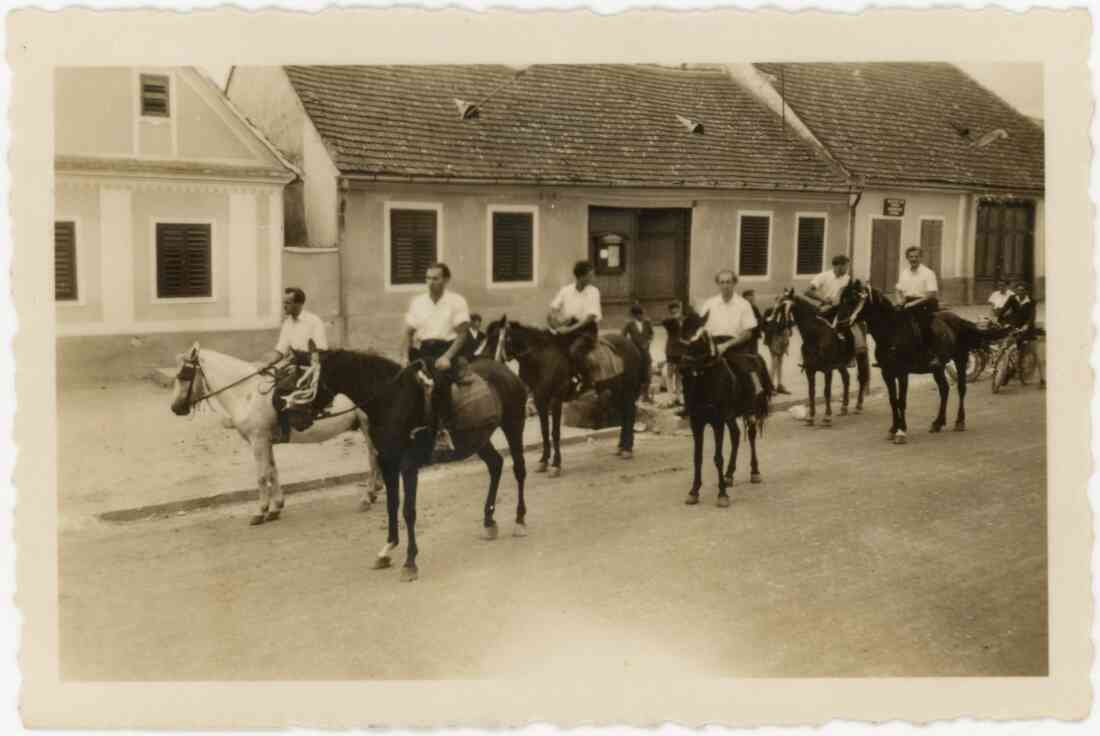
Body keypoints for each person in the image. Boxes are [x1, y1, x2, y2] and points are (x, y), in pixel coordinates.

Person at [400, 262, 471, 454]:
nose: (431, 282)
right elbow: (407, 332)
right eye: (428, 278)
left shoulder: (456, 301)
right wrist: (404, 357)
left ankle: (443, 431)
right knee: (403, 381)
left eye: (435, 278)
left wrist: (448, 356)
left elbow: (463, 334)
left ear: (446, 280)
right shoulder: (418, 302)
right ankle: (412, 427)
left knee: (439, 383)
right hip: (423, 350)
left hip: (447, 349)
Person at [697, 270, 773, 401]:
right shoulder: (710, 303)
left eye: (728, 282)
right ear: (718, 284)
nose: (725, 285)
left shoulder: (743, 304)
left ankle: (750, 407)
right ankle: (691, 406)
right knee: (693, 370)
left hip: (736, 345)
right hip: (713, 345)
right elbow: (701, 328)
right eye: (722, 282)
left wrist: (726, 345)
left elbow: (748, 333)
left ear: (734, 283)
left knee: (745, 371)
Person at [266, 287, 329, 441]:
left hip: (313, 364)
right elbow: (281, 349)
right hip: (295, 364)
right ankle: (282, 425)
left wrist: (307, 365)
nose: (284, 306)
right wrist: (267, 364)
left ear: (299, 304)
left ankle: (286, 432)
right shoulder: (287, 323)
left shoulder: (313, 321)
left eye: (288, 303)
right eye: (283, 302)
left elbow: (320, 349)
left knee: (281, 389)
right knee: (272, 382)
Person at [549, 260, 602, 397]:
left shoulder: (593, 291)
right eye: (590, 274)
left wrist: (569, 329)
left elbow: (590, 317)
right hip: (568, 326)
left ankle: (587, 381)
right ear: (581, 276)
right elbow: (553, 309)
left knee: (574, 351)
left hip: (587, 330)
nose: (592, 277)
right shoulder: (565, 290)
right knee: (550, 350)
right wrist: (556, 323)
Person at [895, 245, 948, 370]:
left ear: (921, 257)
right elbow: (898, 289)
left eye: (916, 257)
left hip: (925, 303)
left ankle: (934, 355)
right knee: (893, 321)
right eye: (911, 257)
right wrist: (899, 300)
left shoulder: (928, 273)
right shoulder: (904, 272)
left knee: (925, 325)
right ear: (907, 258)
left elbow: (931, 294)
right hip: (907, 302)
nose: (913, 259)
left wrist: (913, 304)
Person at [805, 254, 868, 357]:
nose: (847, 269)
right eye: (846, 266)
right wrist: (823, 299)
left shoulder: (847, 279)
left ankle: (853, 354)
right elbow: (807, 291)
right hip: (826, 309)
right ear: (838, 266)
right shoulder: (823, 276)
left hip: (842, 310)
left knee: (856, 327)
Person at [1000, 281, 1045, 388]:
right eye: (1018, 290)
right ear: (1015, 291)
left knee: (1035, 353)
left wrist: (1027, 326)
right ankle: (1005, 372)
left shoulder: (1031, 302)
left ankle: (1043, 379)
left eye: (1022, 291)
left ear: (1026, 292)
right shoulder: (1012, 299)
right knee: (1007, 348)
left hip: (1028, 330)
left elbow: (1031, 316)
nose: (1020, 293)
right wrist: (999, 320)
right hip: (1015, 328)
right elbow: (1003, 310)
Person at [622, 302, 654, 403]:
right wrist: (630, 345)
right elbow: (623, 336)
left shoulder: (647, 322)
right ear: (634, 315)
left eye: (641, 314)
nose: (640, 316)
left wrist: (648, 342)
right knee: (636, 374)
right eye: (638, 315)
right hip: (634, 353)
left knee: (647, 374)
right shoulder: (629, 324)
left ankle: (646, 396)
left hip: (645, 352)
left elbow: (651, 335)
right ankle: (636, 395)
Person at [762, 294, 792, 395]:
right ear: (775, 301)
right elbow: (764, 325)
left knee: (780, 361)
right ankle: (770, 386)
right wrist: (770, 333)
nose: (781, 304)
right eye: (779, 301)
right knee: (774, 361)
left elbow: (789, 325)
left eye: (782, 302)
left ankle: (779, 384)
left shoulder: (786, 312)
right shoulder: (770, 311)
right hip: (773, 337)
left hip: (783, 337)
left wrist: (787, 337)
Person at [662, 300, 688, 406]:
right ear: (670, 310)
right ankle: (670, 396)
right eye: (674, 308)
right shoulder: (669, 320)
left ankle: (678, 396)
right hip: (672, 349)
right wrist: (675, 317)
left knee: (679, 374)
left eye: (677, 308)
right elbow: (664, 322)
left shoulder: (684, 320)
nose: (676, 310)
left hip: (682, 349)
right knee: (670, 373)